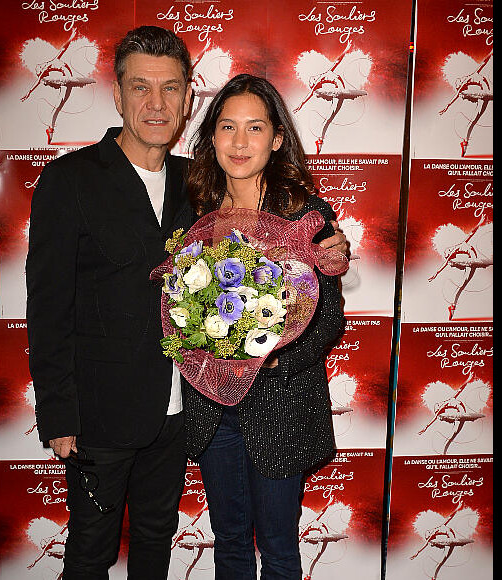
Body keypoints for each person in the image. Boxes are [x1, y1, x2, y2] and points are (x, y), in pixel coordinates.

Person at [26, 25, 346, 579]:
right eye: (142, 87)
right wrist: (58, 414)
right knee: (90, 552)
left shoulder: (192, 186)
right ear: (118, 93)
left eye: (170, 88)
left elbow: (317, 299)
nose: (156, 103)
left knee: (158, 543)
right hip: (101, 418)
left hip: (177, 417)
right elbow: (47, 307)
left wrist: (325, 257)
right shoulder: (69, 181)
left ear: (186, 98)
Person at [183, 73, 347, 579]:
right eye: (228, 127)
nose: (239, 142)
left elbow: (327, 319)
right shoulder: (193, 212)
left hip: (281, 403)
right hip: (212, 409)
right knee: (229, 541)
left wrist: (270, 357)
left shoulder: (305, 216)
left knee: (278, 546)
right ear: (211, 136)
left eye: (255, 129)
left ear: (277, 140)